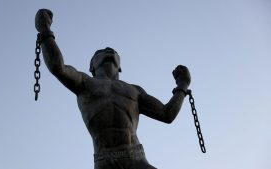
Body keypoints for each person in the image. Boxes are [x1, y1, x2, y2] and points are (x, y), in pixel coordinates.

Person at [35, 9, 191, 169]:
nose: (108, 50)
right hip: (104, 159)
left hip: (136, 158)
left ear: (120, 66)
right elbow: (58, 67)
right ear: (92, 66)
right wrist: (45, 31)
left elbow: (167, 114)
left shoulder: (135, 91)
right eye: (100, 52)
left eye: (114, 52)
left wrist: (182, 85)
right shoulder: (84, 82)